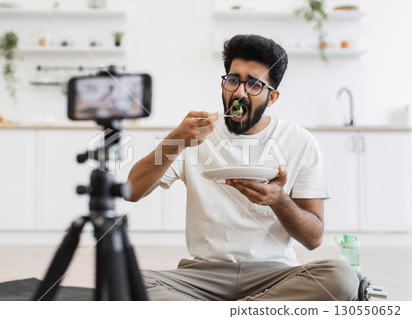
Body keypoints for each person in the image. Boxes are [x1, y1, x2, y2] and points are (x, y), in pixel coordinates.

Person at [126, 34, 359, 301]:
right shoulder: (191, 136)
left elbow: (313, 238)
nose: (239, 92)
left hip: (273, 276)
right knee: (127, 281)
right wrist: (174, 141)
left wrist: (279, 201)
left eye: (255, 85)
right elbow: (131, 190)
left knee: (340, 277)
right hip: (202, 276)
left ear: (273, 97)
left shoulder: (300, 141)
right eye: (233, 80)